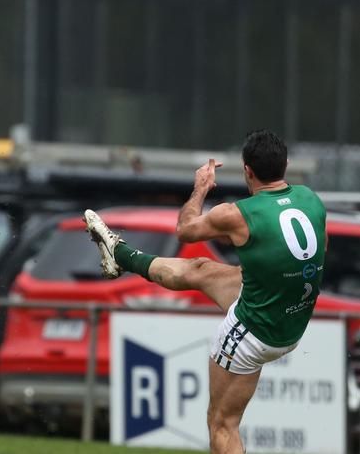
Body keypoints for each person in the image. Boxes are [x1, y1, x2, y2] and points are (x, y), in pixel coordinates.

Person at [83, 130, 326, 454]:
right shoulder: (310, 199)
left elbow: (185, 229)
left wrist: (201, 188)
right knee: (200, 270)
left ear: (247, 171)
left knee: (222, 424)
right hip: (290, 320)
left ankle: (121, 257)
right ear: (286, 165)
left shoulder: (237, 214)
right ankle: (121, 256)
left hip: (253, 331)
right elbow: (317, 251)